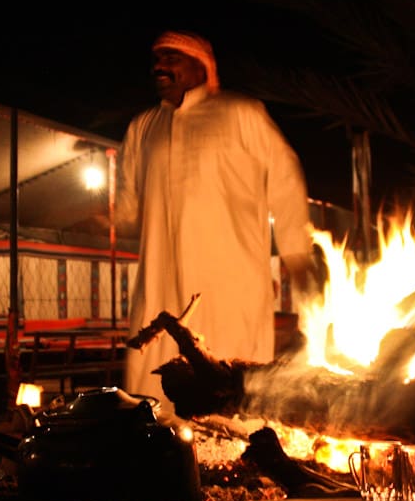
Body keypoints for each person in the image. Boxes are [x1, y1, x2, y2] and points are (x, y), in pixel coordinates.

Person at [116, 29, 314, 418]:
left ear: (202, 67)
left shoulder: (241, 114)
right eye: (157, 58)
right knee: (155, 395)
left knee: (230, 383)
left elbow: (286, 178)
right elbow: (127, 203)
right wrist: (115, 217)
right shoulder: (142, 128)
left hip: (230, 283)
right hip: (160, 283)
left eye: (172, 58)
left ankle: (241, 452)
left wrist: (295, 252)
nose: (160, 66)